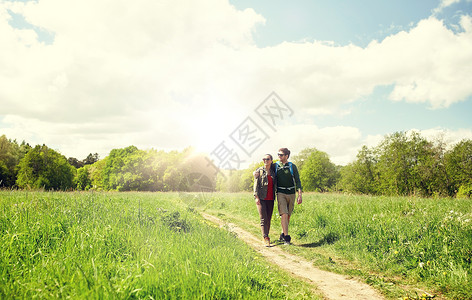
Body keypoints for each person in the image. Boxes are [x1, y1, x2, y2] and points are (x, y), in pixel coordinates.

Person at [275, 148, 302, 245]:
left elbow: (298, 181)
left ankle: (282, 234)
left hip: (291, 193)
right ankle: (287, 238)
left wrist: (299, 195)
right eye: (278, 154)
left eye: (281, 155)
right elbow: (265, 169)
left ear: (287, 156)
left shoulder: (292, 166)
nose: (279, 156)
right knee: (284, 214)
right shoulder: (276, 166)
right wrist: (256, 173)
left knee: (288, 215)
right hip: (280, 193)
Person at [253, 154, 276, 247]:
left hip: (271, 198)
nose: (265, 160)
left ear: (271, 161)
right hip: (261, 198)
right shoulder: (259, 171)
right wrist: (256, 196)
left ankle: (266, 235)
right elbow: (256, 184)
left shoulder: (274, 171)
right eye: (264, 159)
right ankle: (266, 237)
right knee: (263, 218)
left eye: (267, 159)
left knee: (269, 219)